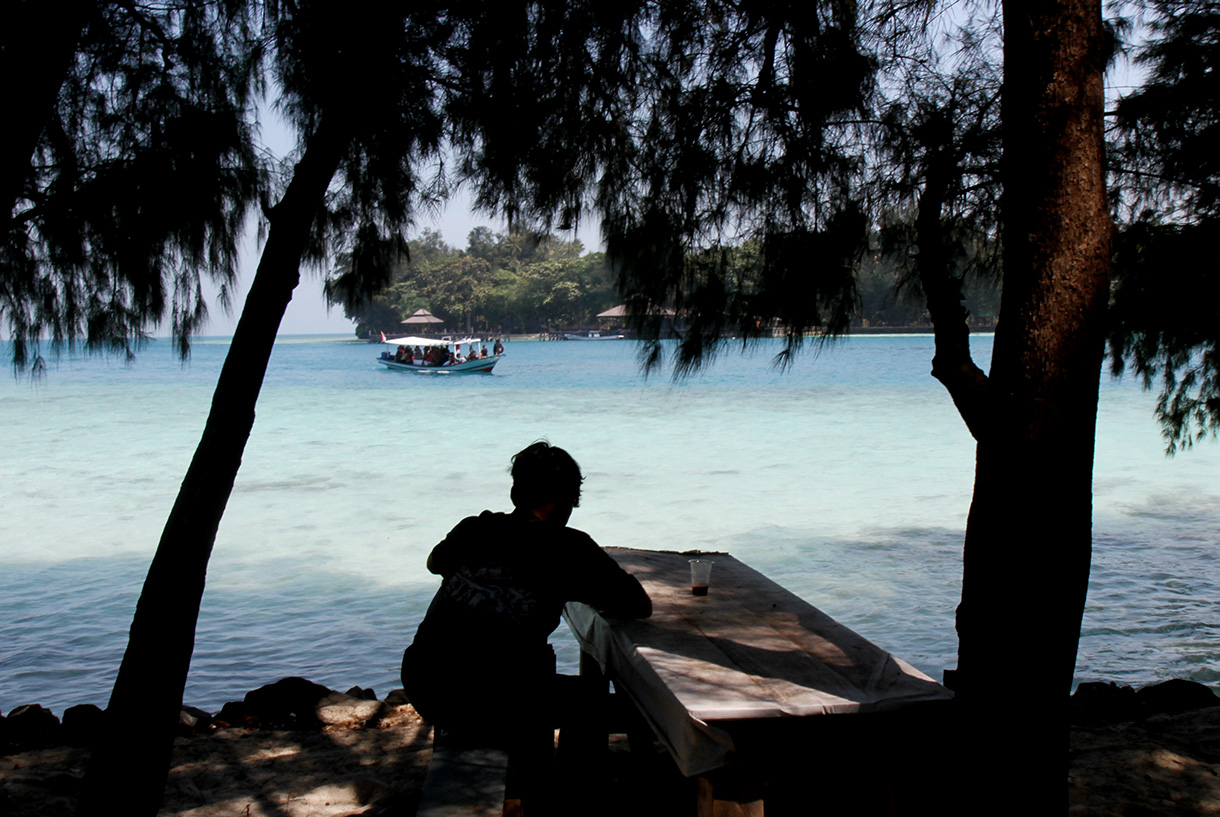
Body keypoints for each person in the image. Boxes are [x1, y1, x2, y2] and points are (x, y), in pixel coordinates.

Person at [401, 442, 651, 745]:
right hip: (491, 697)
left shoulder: (474, 528)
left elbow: (434, 563)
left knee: (546, 686)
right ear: (568, 500)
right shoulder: (570, 549)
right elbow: (637, 604)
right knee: (616, 705)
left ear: (516, 492)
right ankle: (579, 783)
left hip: (425, 683)